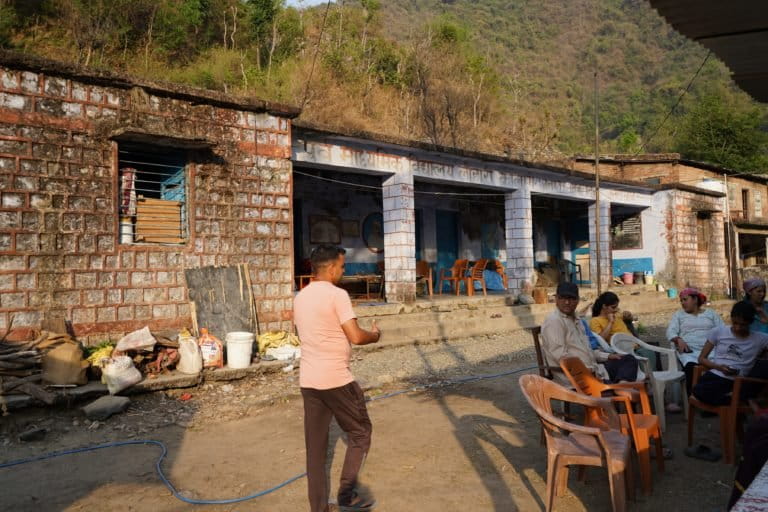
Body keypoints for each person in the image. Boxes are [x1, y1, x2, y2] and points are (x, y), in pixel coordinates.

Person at [293, 245, 380, 512]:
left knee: (315, 451)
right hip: (337, 380)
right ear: (331, 268)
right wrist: (375, 334)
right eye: (342, 267)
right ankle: (346, 495)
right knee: (360, 432)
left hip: (309, 381)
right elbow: (355, 336)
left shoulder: (300, 297)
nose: (343, 271)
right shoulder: (337, 295)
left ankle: (318, 508)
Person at [541, 282, 638, 386]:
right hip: (578, 377)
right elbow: (561, 358)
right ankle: (621, 389)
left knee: (628, 359)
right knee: (632, 390)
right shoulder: (554, 321)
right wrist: (586, 370)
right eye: (562, 298)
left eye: (572, 299)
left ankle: (621, 387)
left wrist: (608, 356)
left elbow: (588, 351)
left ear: (578, 300)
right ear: (556, 299)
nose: (567, 302)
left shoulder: (576, 319)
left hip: (595, 371)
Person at [692, 301, 768, 407]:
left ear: (751, 322)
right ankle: (738, 399)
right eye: (735, 323)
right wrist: (718, 367)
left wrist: (765, 320)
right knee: (698, 390)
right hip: (717, 375)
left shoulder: (760, 338)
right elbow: (701, 359)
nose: (737, 328)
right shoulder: (718, 332)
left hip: (740, 381)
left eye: (743, 325)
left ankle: (736, 398)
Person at [667, 287, 724, 396]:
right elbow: (671, 331)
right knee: (691, 368)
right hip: (690, 351)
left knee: (722, 369)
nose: (682, 303)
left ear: (695, 300)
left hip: (711, 350)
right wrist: (678, 339)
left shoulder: (711, 313)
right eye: (681, 301)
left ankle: (713, 398)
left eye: (685, 299)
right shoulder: (679, 315)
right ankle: (693, 399)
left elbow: (722, 330)